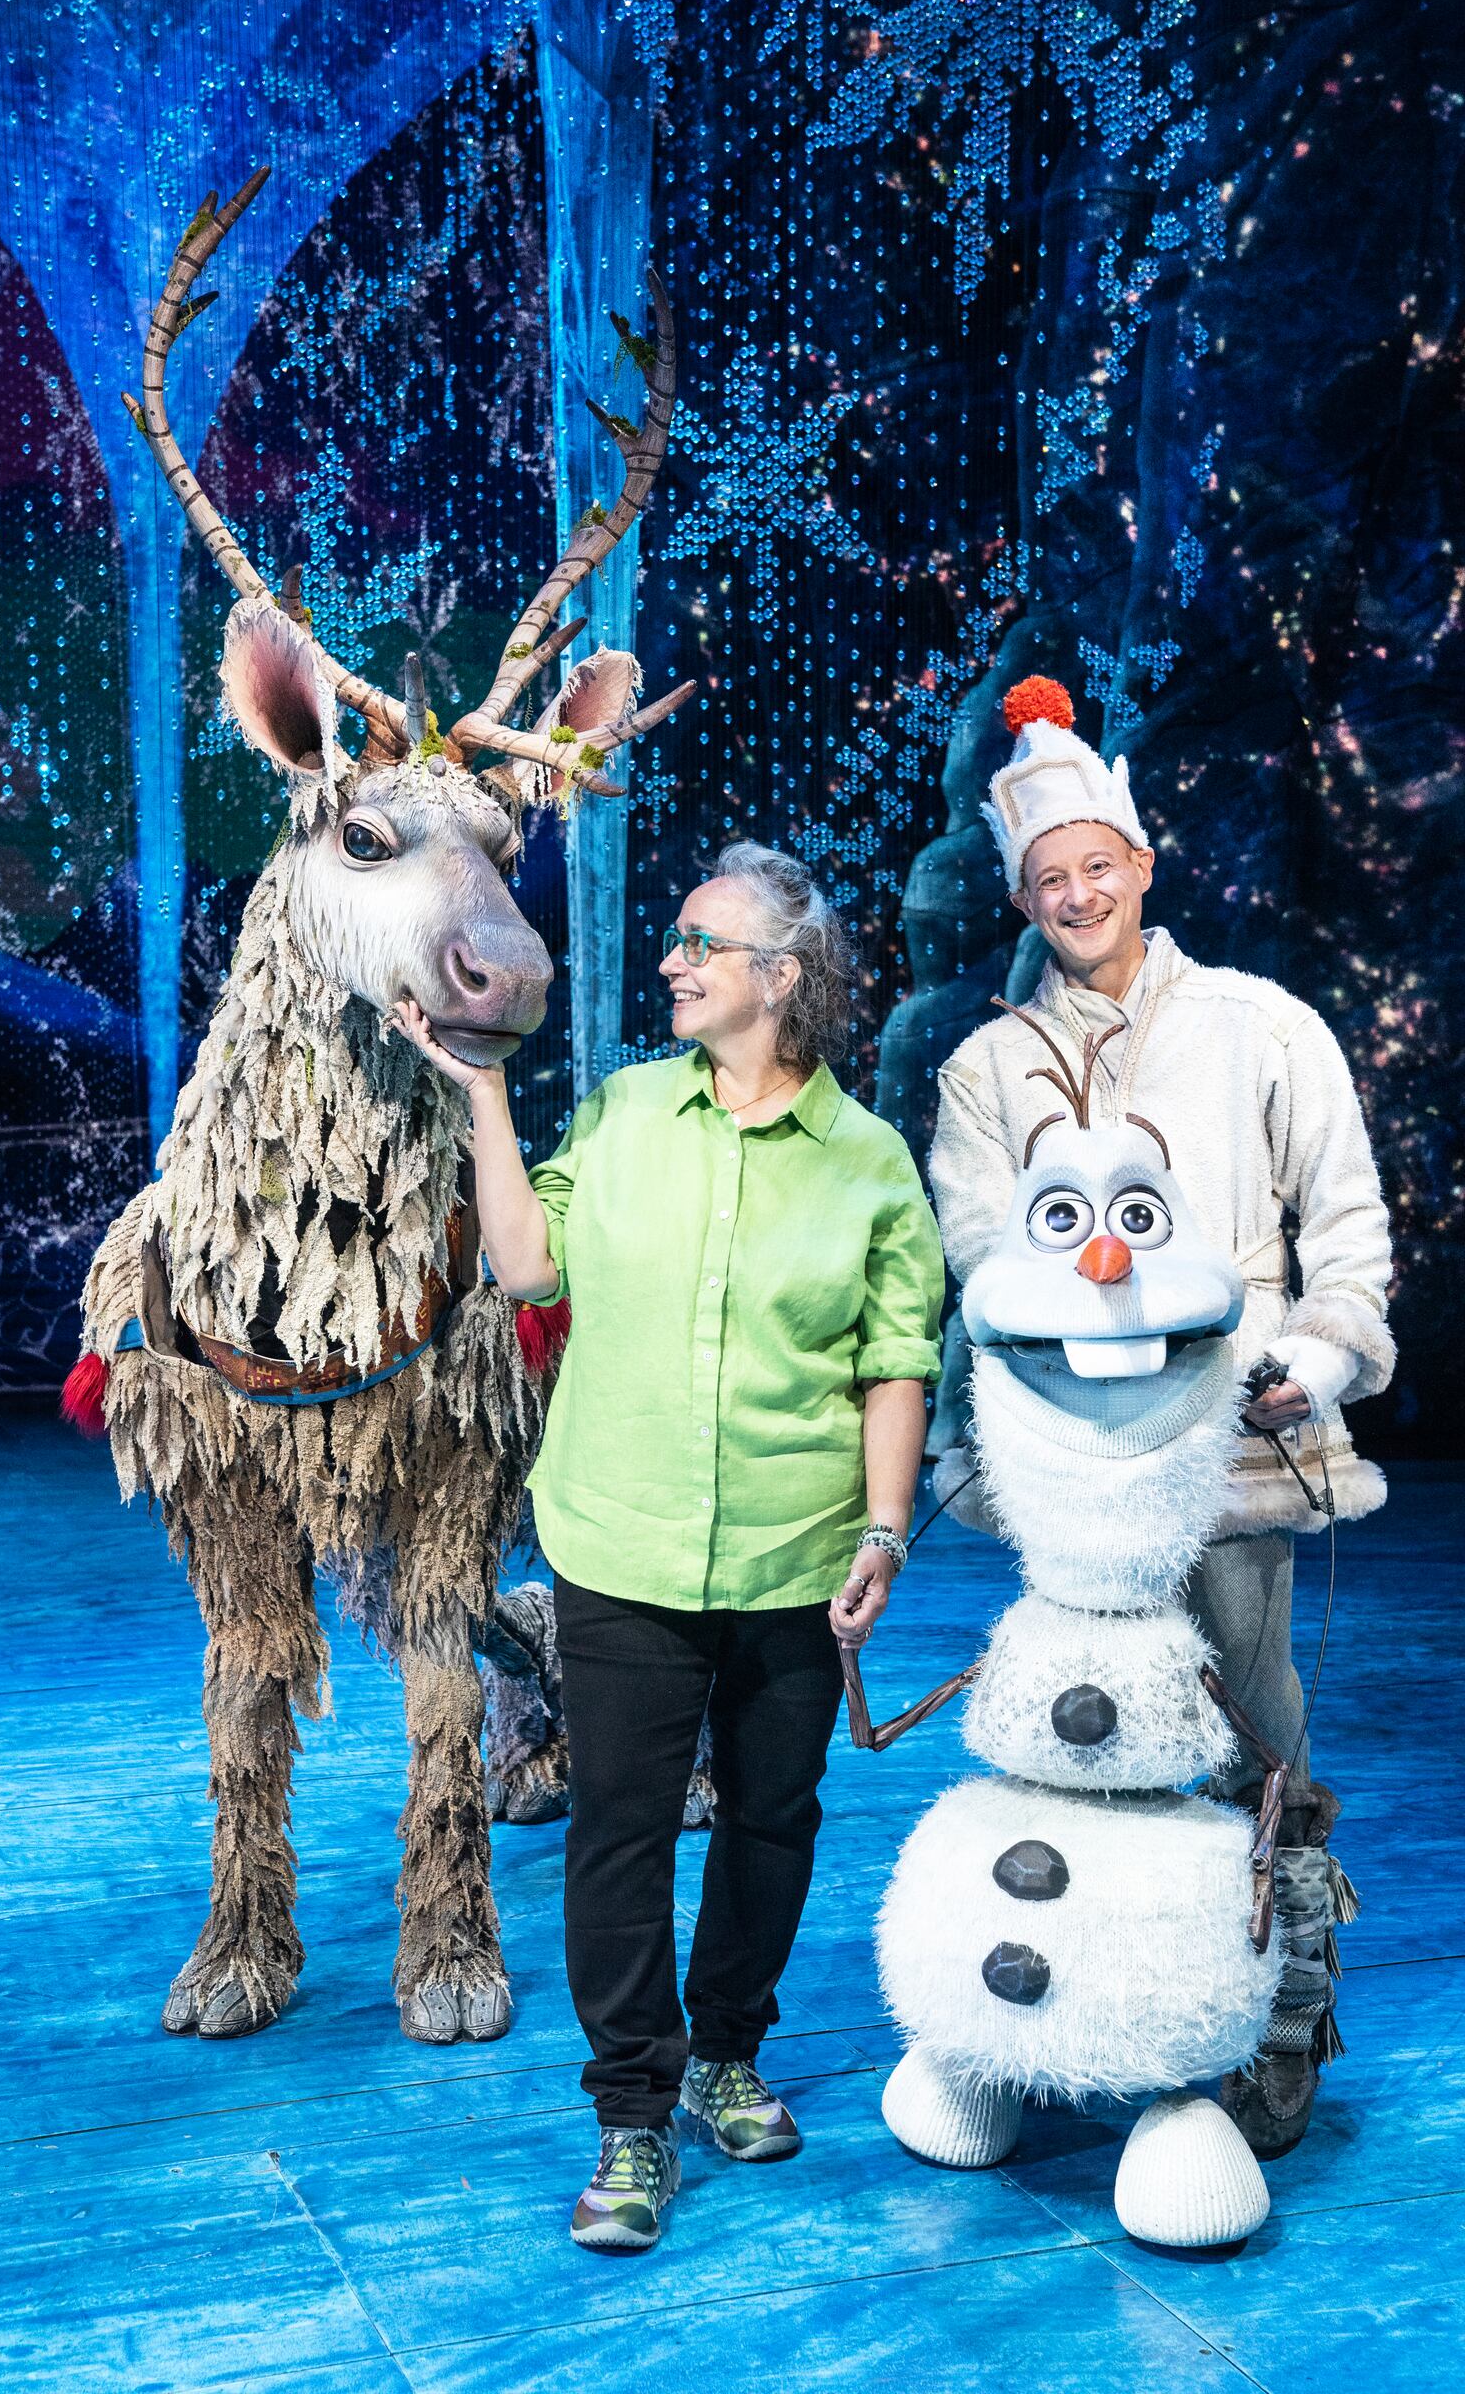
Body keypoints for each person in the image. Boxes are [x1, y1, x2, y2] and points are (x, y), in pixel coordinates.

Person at [395, 839, 942, 2252]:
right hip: (619, 1543)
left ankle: (725, 2054)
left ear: (782, 976)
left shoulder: (871, 1164)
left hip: (796, 1553)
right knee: (620, 1836)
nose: (674, 960)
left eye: (704, 942)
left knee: (771, 1820)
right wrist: (485, 1091)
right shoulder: (631, 1109)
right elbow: (529, 1266)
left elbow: (895, 1362)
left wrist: (884, 1529)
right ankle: (634, 2118)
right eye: (679, 939)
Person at [930, 676, 1394, 2160]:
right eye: (1046, 877)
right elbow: (991, 1266)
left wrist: (1312, 1363)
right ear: (1024, 893)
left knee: (1259, 1752)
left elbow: (1350, 1232)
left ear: (1141, 863)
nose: (1076, 894)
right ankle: (1080, 2015)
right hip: (1082, 1492)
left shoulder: (1266, 1030)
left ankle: (1278, 2022)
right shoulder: (988, 1070)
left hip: (1241, 1473)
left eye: (1096, 865)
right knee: (1084, 1753)